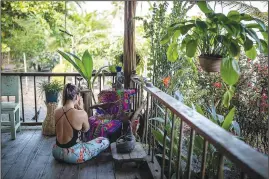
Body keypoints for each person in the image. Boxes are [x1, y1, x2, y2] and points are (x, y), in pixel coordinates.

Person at [52, 83, 109, 164]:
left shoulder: (56, 111)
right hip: (73, 156)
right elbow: (86, 130)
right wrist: (82, 109)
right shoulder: (81, 113)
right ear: (77, 97)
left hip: (56, 152)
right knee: (104, 141)